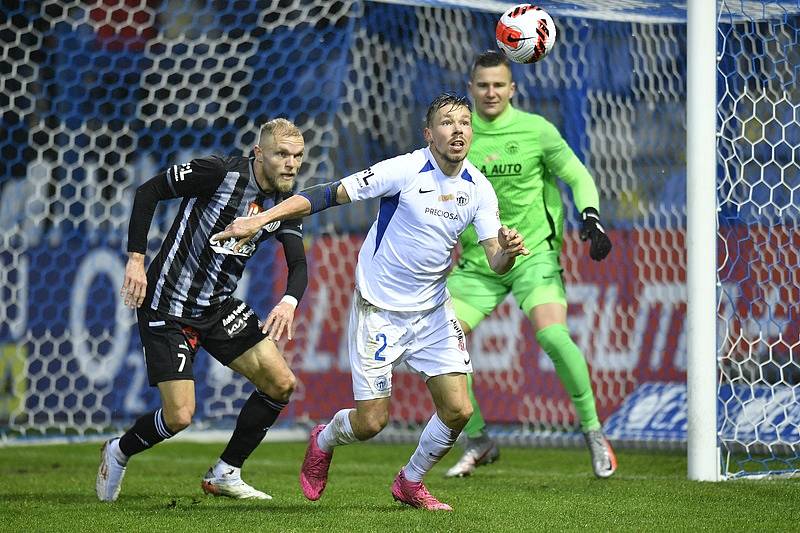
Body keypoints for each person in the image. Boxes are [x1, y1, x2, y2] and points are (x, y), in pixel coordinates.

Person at [212, 93, 529, 511]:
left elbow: (496, 260)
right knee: (371, 423)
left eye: (465, 123)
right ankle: (324, 438)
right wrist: (259, 219)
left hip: (433, 311)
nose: (458, 131)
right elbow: (327, 194)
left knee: (457, 410)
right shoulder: (404, 170)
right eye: (448, 123)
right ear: (428, 133)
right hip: (378, 310)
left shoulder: (479, 189)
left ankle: (410, 482)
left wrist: (507, 249)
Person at [95, 118, 308, 502]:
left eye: (297, 156)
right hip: (168, 303)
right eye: (281, 154)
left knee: (281, 383)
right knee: (179, 416)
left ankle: (226, 472)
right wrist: (136, 260)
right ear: (259, 153)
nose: (291, 164)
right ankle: (119, 450)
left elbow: (299, 265)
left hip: (218, 306)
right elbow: (148, 191)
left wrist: (289, 301)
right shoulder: (218, 172)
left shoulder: (286, 204)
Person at [444, 51, 617, 479]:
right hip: (481, 261)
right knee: (441, 345)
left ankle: (594, 432)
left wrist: (591, 216)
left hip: (532, 254)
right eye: (482, 85)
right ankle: (479, 440)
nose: (490, 92)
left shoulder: (536, 130)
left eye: (498, 85)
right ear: (470, 90)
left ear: (512, 89)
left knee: (554, 336)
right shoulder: (455, 136)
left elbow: (577, 175)